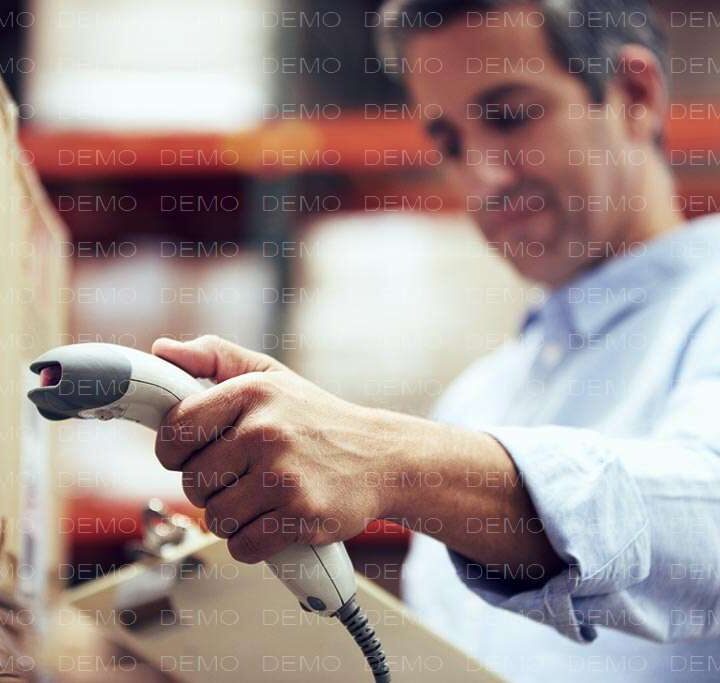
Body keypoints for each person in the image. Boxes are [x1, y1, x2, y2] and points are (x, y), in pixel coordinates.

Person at [150, 1, 720, 680]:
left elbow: (704, 525)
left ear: (634, 94)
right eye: (450, 143)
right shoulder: (477, 401)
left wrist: (392, 461)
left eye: (511, 117)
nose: (485, 175)